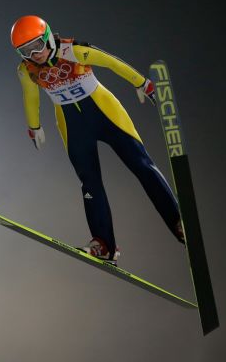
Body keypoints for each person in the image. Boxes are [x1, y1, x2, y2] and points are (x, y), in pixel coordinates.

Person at [11, 15, 185, 263]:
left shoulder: (74, 50)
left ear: (48, 36)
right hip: (72, 126)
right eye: (25, 50)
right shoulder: (26, 70)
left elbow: (111, 62)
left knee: (142, 165)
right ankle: (104, 244)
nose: (34, 54)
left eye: (37, 45)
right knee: (89, 183)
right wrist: (34, 126)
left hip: (106, 114)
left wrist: (141, 83)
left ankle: (179, 221)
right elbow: (31, 97)